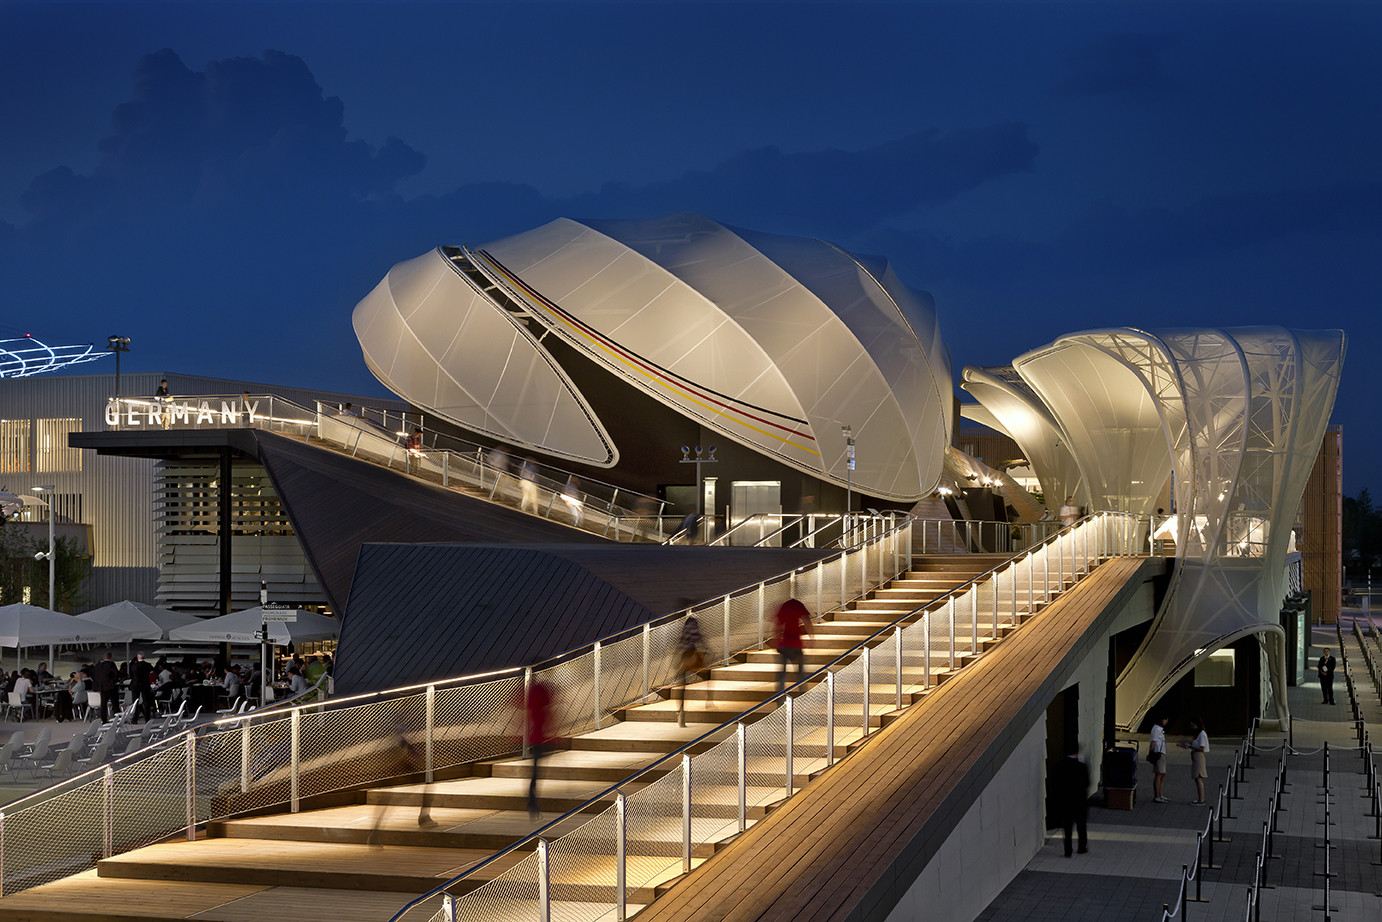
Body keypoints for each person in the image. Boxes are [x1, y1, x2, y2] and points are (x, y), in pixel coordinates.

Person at [521, 678, 554, 819]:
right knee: (535, 773)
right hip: (539, 740)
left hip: (533, 739)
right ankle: (532, 803)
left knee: (534, 772)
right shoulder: (541, 691)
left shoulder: (530, 694)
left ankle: (532, 803)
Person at [1052, 745, 1090, 856]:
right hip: (1079, 801)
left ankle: (1068, 850)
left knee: (1067, 827)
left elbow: (1055, 784)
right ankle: (1082, 847)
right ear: (1077, 753)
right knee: (1081, 826)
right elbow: (1086, 783)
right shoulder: (1081, 767)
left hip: (1066, 802)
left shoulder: (1059, 766)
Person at [773, 598, 813, 693]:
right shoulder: (798, 605)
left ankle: (780, 699)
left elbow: (778, 626)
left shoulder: (784, 606)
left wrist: (776, 641)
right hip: (796, 645)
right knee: (800, 673)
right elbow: (807, 621)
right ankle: (803, 696)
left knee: (782, 674)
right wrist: (812, 638)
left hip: (784, 645)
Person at [675, 615, 707, 727]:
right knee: (707, 676)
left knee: (682, 685)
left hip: (683, 655)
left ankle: (681, 711)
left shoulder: (682, 623)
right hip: (691, 654)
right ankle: (708, 700)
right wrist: (706, 648)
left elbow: (680, 641)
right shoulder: (692, 621)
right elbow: (697, 637)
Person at [1179, 718, 1209, 804]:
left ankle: (1201, 799)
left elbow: (1201, 748)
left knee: (1198, 778)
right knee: (1197, 778)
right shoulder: (1198, 734)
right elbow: (1194, 743)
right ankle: (1200, 799)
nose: (1192, 727)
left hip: (1199, 757)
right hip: (1195, 756)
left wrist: (1190, 747)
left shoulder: (1202, 734)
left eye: (1193, 725)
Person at [91, 652, 119, 722]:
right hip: (111, 687)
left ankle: (104, 719)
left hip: (102, 687)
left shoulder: (99, 665)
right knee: (115, 703)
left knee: (103, 704)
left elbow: (93, 674)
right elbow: (116, 674)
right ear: (111, 657)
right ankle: (117, 718)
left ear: (104, 658)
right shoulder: (111, 664)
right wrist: (113, 681)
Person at [1148, 715, 1169, 803]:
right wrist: (1151, 753)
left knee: (1162, 774)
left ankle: (1160, 794)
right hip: (1158, 753)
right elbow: (1153, 741)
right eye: (1166, 719)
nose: (1166, 721)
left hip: (1162, 753)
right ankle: (1157, 795)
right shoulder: (1157, 729)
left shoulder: (1159, 729)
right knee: (1159, 774)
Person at [130, 653, 155, 722]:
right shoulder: (148, 665)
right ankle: (147, 718)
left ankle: (135, 718)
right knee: (146, 702)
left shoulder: (133, 666)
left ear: (138, 658)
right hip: (145, 684)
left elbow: (131, 674)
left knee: (135, 702)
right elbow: (152, 671)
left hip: (136, 685)